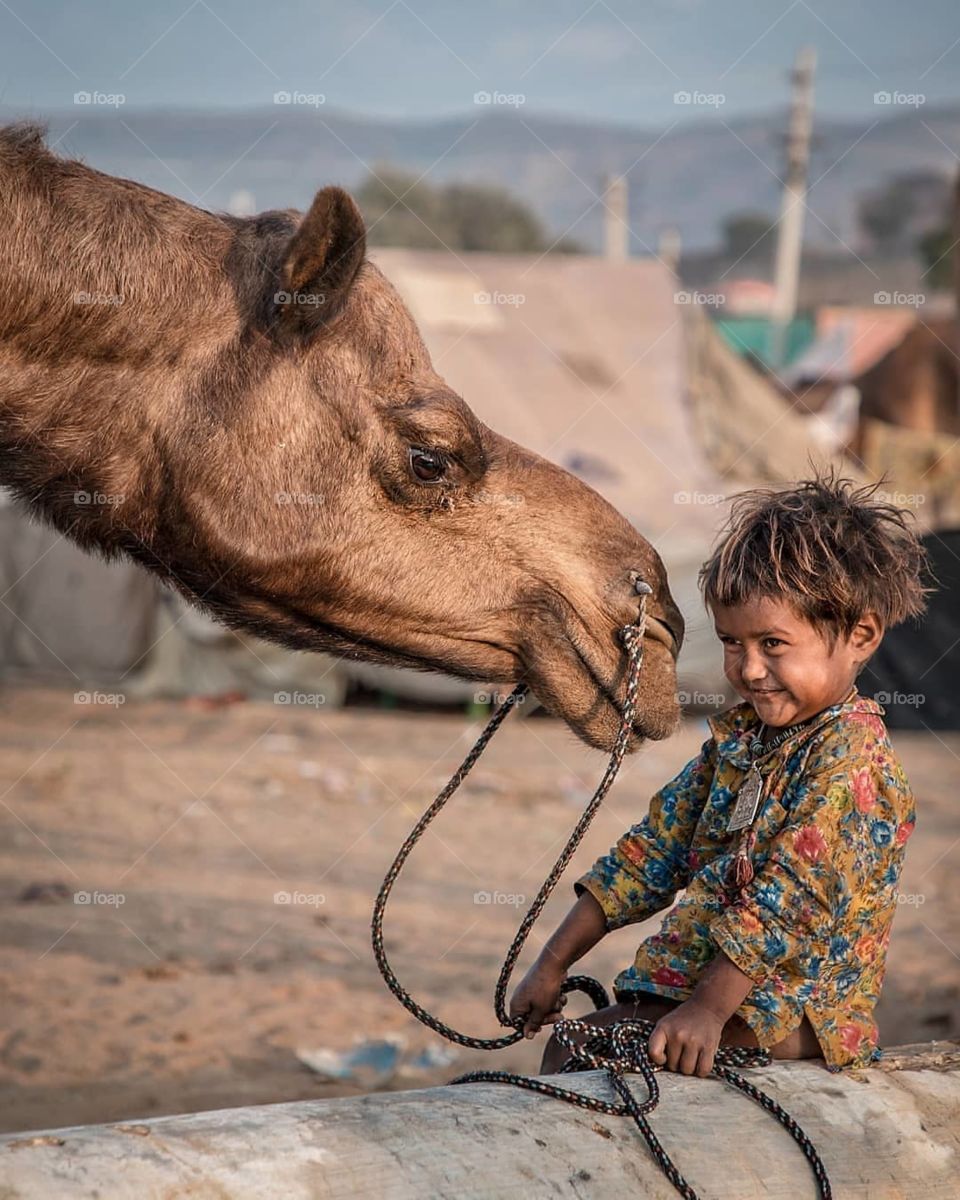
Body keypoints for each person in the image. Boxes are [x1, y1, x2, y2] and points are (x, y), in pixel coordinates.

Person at [510, 472, 932, 1077]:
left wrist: (706, 1011)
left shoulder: (853, 765)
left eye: (774, 644)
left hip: (786, 1010)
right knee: (582, 1044)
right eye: (733, 643)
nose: (750, 669)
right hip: (710, 992)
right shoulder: (737, 745)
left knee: (591, 1049)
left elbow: (792, 902)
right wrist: (550, 963)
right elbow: (651, 854)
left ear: (860, 635)